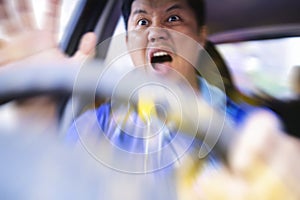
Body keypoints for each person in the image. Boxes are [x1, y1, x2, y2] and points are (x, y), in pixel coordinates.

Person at [0, 0, 299, 199]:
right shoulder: (91, 128)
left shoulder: (248, 127)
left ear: (200, 37)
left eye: (173, 18)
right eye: (142, 22)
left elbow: (278, 161)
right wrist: (35, 119)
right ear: (129, 40)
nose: (156, 32)